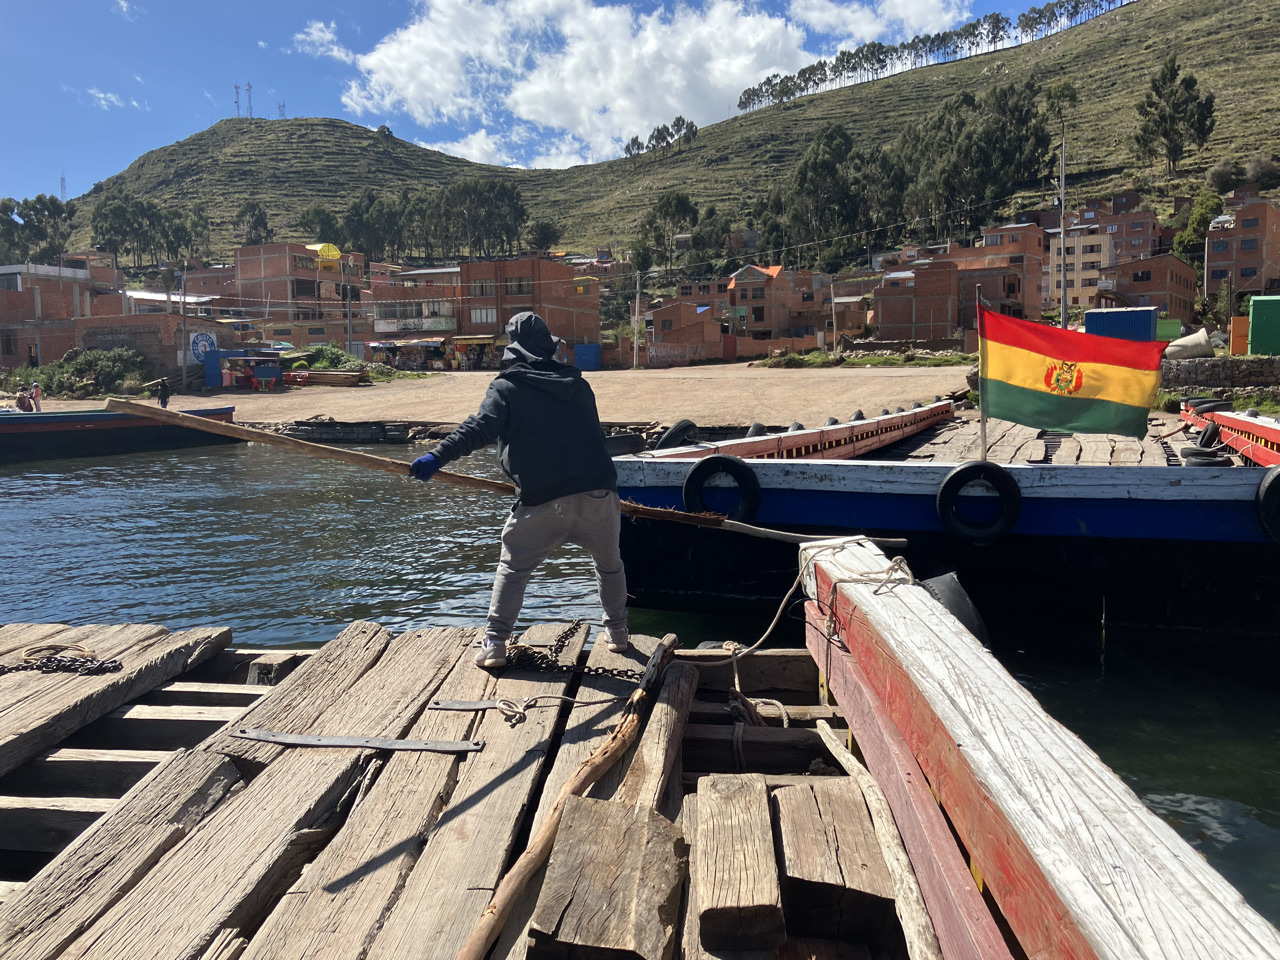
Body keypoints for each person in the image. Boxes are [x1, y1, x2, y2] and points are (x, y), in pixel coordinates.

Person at [410, 312, 629, 669]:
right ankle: (618, 636)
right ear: (547, 345)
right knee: (610, 566)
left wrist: (438, 455)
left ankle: (495, 644)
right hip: (599, 492)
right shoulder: (579, 384)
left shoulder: (507, 387)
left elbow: (478, 428)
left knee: (513, 568)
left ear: (514, 349)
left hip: (543, 499)